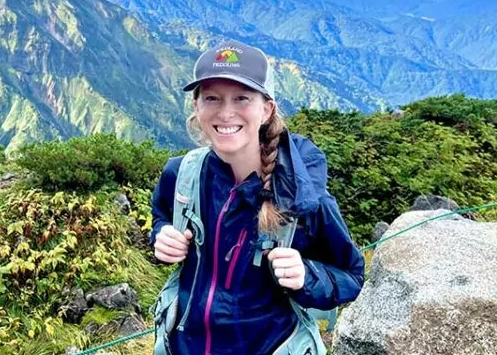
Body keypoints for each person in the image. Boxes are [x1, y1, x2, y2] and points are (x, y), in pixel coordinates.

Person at [149, 39, 365, 355]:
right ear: (196, 106)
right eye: (212, 98)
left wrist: (306, 275)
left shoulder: (300, 197)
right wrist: (162, 235)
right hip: (183, 345)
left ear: (266, 109)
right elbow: (162, 217)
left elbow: (351, 275)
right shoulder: (181, 175)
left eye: (241, 98)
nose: (225, 112)